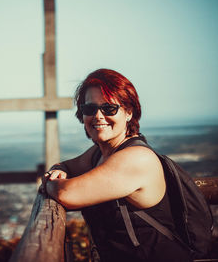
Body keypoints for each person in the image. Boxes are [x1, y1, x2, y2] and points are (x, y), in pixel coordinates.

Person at [41, 69, 192, 262]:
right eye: (90, 109)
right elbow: (65, 166)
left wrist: (49, 182)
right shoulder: (99, 153)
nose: (98, 116)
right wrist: (59, 171)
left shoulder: (136, 158)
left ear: (129, 112)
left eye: (109, 108)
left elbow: (66, 194)